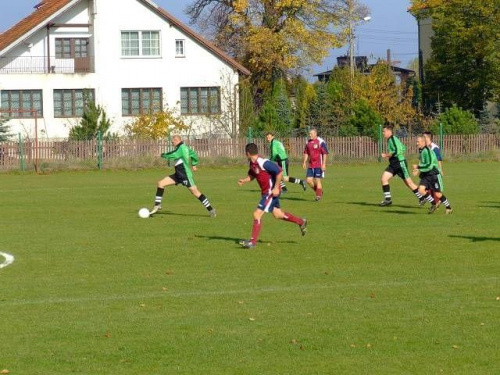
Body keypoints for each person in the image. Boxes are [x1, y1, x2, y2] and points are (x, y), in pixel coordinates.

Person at [238, 143, 307, 249]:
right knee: (278, 214)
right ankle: (301, 222)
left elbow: (279, 171)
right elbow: (252, 175)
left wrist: (275, 187)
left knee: (257, 214)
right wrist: (244, 180)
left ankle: (252, 242)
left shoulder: (263, 162)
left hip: (270, 192)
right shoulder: (252, 164)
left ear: (247, 153)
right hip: (267, 192)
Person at [149, 135, 216, 217]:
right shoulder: (184, 147)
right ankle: (157, 205)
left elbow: (174, 154)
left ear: (176, 140)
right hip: (178, 174)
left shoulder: (181, 148)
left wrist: (162, 155)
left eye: (172, 141)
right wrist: (194, 164)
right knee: (160, 183)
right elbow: (193, 154)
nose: (172, 143)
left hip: (185, 175)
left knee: (195, 192)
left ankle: (211, 209)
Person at [379, 124, 422, 206]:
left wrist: (386, 155)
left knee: (408, 182)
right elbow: (403, 147)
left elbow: (397, 151)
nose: (383, 133)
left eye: (384, 131)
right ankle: (388, 200)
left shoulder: (393, 139)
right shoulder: (391, 140)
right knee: (384, 179)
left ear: (389, 131)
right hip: (393, 164)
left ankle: (422, 197)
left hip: (400, 163)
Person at [412, 135, 453, 214]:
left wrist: (418, 167)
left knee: (437, 193)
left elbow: (430, 165)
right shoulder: (421, 150)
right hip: (426, 175)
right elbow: (423, 162)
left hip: (433, 175)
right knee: (421, 190)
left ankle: (449, 208)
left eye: (418, 142)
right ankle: (434, 204)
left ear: (423, 142)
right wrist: (417, 169)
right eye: (416, 142)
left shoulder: (427, 151)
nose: (417, 143)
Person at [302, 128, 328, 201]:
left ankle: (318, 196)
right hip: (311, 165)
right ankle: (319, 192)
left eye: (311, 133)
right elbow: (306, 152)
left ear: (315, 134)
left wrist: (324, 164)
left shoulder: (321, 142)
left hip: (318, 164)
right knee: (308, 180)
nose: (310, 135)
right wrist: (304, 162)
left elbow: (325, 153)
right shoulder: (308, 142)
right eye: (309, 133)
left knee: (317, 180)